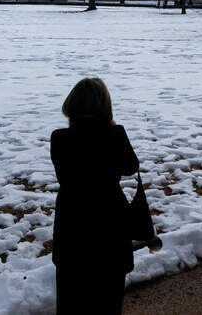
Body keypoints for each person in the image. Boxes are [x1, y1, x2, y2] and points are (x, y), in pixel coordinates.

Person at [50, 78, 140, 314]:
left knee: (71, 301)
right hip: (109, 226)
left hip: (72, 225)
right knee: (108, 301)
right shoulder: (115, 136)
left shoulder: (59, 139)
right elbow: (131, 167)